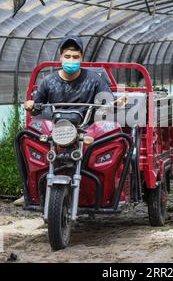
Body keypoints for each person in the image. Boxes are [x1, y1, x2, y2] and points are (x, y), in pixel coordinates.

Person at [14, 34, 126, 206]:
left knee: (117, 141)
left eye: (75, 57)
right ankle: (31, 189)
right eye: (67, 56)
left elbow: (107, 101)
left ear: (81, 58)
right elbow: (37, 106)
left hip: (88, 130)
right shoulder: (48, 81)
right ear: (60, 57)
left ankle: (112, 190)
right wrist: (30, 105)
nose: (71, 60)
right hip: (56, 130)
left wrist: (115, 102)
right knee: (25, 140)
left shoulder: (95, 80)